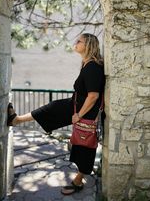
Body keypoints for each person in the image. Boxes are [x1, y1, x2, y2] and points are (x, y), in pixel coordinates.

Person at [7, 33, 105, 195]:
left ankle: (78, 180)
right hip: (74, 105)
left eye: (79, 41)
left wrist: (79, 115)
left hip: (85, 112)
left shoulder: (93, 67)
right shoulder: (87, 64)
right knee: (52, 108)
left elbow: (93, 96)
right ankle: (16, 120)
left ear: (88, 45)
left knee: (84, 147)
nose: (75, 43)